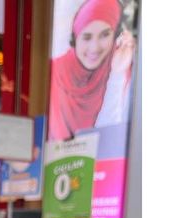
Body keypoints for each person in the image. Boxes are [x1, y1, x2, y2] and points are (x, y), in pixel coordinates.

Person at [48, 0, 135, 141]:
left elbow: (111, 138)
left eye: (105, 35)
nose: (94, 47)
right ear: (75, 38)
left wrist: (117, 74)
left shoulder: (120, 64)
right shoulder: (56, 71)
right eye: (86, 37)